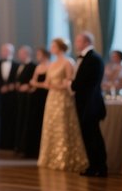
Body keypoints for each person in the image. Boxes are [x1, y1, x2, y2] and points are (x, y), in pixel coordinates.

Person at [36, 38, 88, 173]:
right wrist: (44, 84)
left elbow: (70, 82)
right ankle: (51, 158)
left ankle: (65, 159)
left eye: (53, 45)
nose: (51, 47)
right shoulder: (52, 64)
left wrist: (57, 86)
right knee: (51, 126)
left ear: (60, 47)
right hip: (52, 97)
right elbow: (47, 82)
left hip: (63, 98)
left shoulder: (68, 62)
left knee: (63, 126)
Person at [71, 31, 108, 177]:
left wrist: (70, 84)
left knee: (93, 136)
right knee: (88, 135)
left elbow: (83, 83)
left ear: (86, 42)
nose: (76, 44)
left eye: (78, 41)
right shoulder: (87, 58)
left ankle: (99, 167)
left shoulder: (93, 59)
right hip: (84, 104)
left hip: (90, 105)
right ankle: (93, 166)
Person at [21, 47, 50, 159]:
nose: (37, 56)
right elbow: (32, 82)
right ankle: (30, 150)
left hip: (44, 96)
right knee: (32, 121)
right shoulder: (38, 67)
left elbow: (45, 84)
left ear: (44, 55)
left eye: (39, 54)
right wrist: (31, 87)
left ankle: (40, 150)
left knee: (41, 121)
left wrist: (35, 84)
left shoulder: (50, 66)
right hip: (35, 96)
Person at [12, 46, 36, 155]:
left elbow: (33, 81)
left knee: (24, 120)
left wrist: (27, 85)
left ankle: (23, 146)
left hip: (27, 98)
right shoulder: (19, 66)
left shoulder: (33, 66)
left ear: (27, 54)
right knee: (18, 119)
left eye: (21, 53)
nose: (19, 55)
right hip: (18, 96)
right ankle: (17, 145)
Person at [0, 43, 19, 149]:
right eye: (2, 50)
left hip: (12, 97)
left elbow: (17, 81)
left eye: (5, 50)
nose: (3, 52)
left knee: (11, 119)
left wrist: (9, 87)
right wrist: (0, 87)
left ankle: (11, 143)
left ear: (10, 52)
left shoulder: (16, 65)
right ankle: (0, 143)